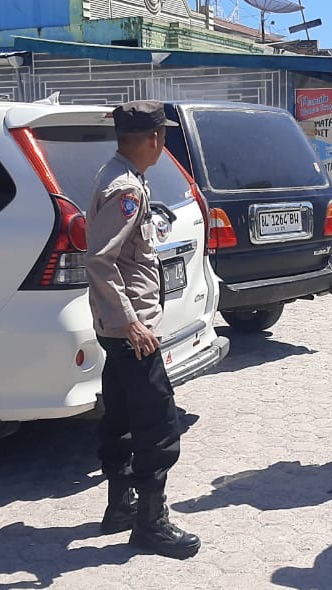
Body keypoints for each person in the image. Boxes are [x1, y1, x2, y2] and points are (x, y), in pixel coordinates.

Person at [85, 100, 200, 560]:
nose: (163, 144)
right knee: (158, 424)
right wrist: (131, 320)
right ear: (153, 139)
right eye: (163, 136)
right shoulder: (125, 188)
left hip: (118, 328)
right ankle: (151, 523)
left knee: (120, 416)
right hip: (130, 330)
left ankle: (121, 505)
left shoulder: (119, 174)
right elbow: (101, 260)